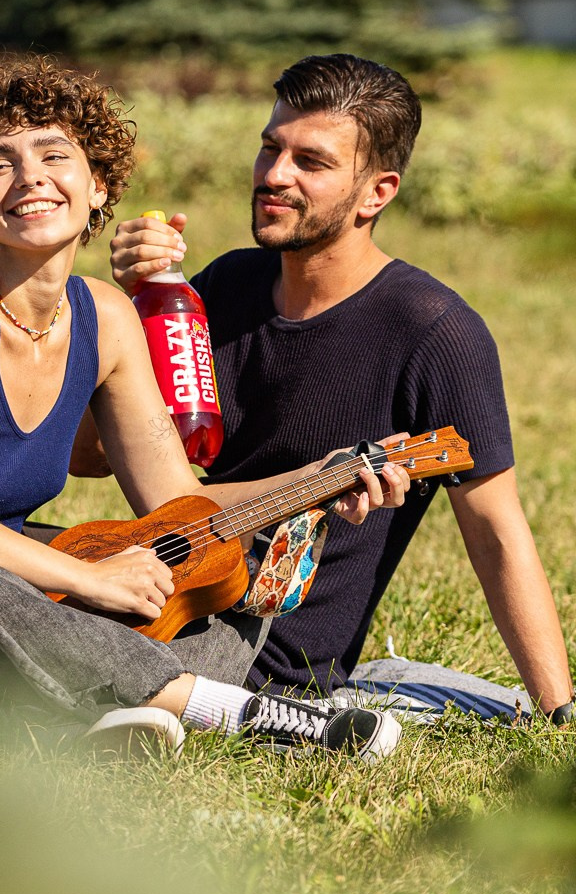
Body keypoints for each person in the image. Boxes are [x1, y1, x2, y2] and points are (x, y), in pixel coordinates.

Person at [0, 56, 409, 758]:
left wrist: (318, 481)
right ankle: (237, 712)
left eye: (54, 156)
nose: (30, 176)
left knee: (225, 590)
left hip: (14, 591)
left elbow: (177, 503)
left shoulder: (107, 316)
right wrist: (88, 578)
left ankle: (83, 706)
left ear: (97, 188)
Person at [104, 52, 574, 719]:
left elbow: (496, 530)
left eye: (311, 162)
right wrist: (131, 314)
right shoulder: (221, 290)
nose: (274, 175)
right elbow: (95, 458)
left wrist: (557, 710)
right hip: (163, 595)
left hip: (270, 660)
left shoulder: (436, 333)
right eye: (271, 149)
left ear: (378, 192)